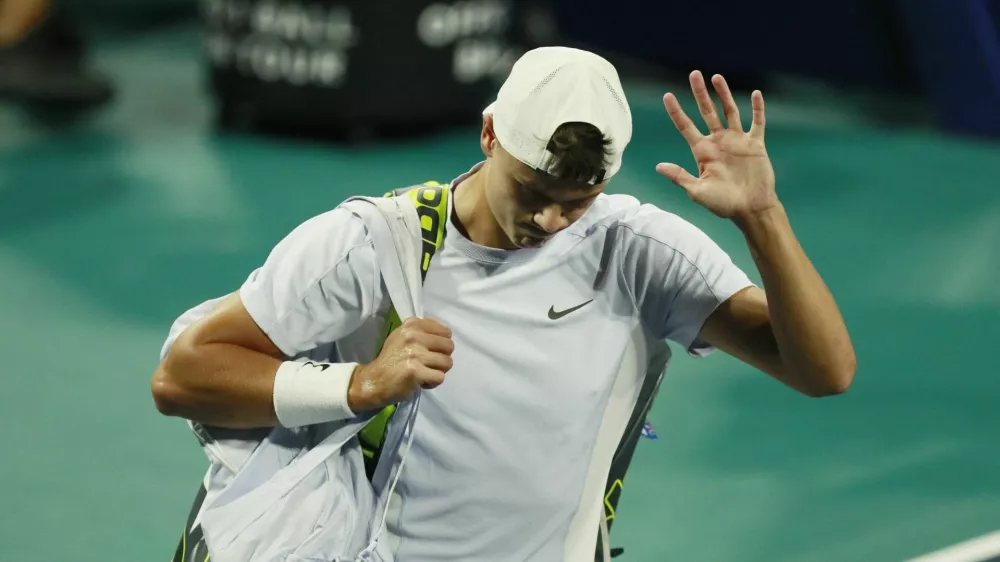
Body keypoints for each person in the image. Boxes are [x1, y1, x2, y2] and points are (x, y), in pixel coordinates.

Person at [152, 46, 856, 561]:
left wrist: (762, 216)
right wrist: (359, 385)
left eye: (576, 203)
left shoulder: (639, 251)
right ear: (489, 134)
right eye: (533, 193)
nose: (551, 222)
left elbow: (823, 372)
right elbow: (183, 375)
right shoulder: (372, 244)